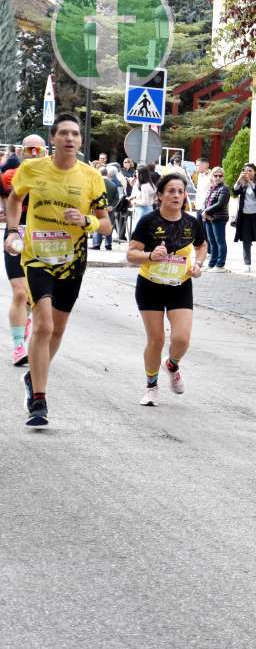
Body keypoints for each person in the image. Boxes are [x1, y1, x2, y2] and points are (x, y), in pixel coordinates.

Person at [4, 113, 111, 428]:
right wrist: (12, 230)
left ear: (80, 140)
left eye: (75, 134)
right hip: (37, 257)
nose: (69, 138)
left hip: (72, 260)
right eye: (63, 133)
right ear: (52, 139)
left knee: (59, 329)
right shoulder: (33, 169)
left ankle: (32, 376)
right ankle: (39, 399)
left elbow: (105, 224)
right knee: (44, 326)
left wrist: (86, 221)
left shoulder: (92, 177)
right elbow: (14, 199)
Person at [126, 173, 207, 407]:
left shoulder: (192, 223)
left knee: (181, 339)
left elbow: (202, 246)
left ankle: (171, 364)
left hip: (179, 286)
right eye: (171, 191)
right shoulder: (148, 222)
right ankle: (151, 386)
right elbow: (131, 254)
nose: (176, 195)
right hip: (150, 286)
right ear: (160, 195)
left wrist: (198, 264)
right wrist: (150, 255)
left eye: (180, 191)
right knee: (156, 339)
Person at [1, 135, 45, 367]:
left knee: (35, 296)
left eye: (39, 149)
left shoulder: (52, 177)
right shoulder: (9, 176)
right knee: (19, 292)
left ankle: (26, 318)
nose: (34, 154)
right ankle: (18, 346)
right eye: (30, 149)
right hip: (15, 236)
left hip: (45, 240)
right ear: (21, 152)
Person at [232, 163, 256, 273]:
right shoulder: (242, 183)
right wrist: (239, 180)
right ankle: (247, 264)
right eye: (245, 170)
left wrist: (250, 181)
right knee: (246, 240)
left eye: (250, 170)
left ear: (255, 172)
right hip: (245, 216)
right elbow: (234, 191)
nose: (248, 172)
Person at [201, 166, 231, 272]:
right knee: (212, 242)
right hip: (209, 218)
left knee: (220, 241)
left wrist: (206, 212)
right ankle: (212, 264)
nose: (218, 177)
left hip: (219, 218)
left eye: (220, 176)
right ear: (212, 176)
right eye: (215, 175)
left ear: (223, 177)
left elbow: (220, 204)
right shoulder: (211, 188)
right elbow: (206, 202)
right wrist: (204, 212)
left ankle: (220, 265)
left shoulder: (224, 189)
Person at [90, 167, 120, 251]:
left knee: (98, 224)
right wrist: (112, 206)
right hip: (109, 208)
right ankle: (108, 244)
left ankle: (96, 244)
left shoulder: (96, 183)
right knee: (109, 225)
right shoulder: (113, 184)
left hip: (98, 208)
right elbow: (117, 198)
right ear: (107, 174)